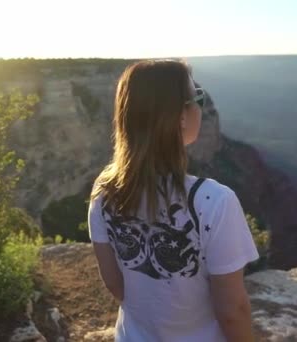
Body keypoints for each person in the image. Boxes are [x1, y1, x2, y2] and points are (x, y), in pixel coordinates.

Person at [88, 59, 259, 342]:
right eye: (198, 98)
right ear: (180, 116)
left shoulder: (104, 190)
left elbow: (116, 285)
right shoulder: (214, 202)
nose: (202, 107)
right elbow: (233, 310)